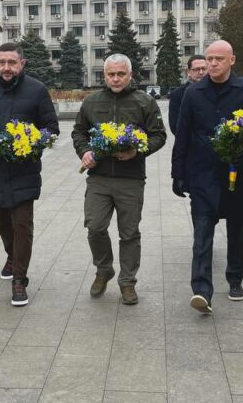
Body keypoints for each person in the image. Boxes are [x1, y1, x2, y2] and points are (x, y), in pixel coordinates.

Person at [171, 40, 243, 314]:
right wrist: (178, 173)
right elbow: (182, 134)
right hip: (202, 174)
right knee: (202, 235)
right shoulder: (193, 93)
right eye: (209, 59)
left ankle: (235, 278)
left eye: (219, 58)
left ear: (232, 60)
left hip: (237, 173)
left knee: (237, 231)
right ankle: (201, 290)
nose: (213, 64)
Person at [0, 43, 59, 307]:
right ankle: (11, 255)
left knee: (22, 225)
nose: (6, 68)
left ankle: (20, 279)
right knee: (2, 221)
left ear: (22, 64)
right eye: (2, 62)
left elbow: (51, 127)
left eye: (12, 63)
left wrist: (33, 142)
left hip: (24, 170)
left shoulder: (37, 90)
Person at [74, 54, 166, 306]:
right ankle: (104, 268)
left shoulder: (144, 102)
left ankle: (127, 282)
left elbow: (159, 136)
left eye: (120, 74)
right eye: (111, 74)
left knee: (129, 233)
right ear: (104, 76)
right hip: (99, 178)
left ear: (130, 75)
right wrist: (85, 152)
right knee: (95, 227)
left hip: (131, 179)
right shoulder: (92, 102)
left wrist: (137, 151)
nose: (115, 79)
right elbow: (79, 131)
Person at [168, 55, 207, 130]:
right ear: (189, 72)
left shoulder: (217, 90)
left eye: (204, 69)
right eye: (196, 69)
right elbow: (175, 126)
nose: (201, 72)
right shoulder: (177, 95)